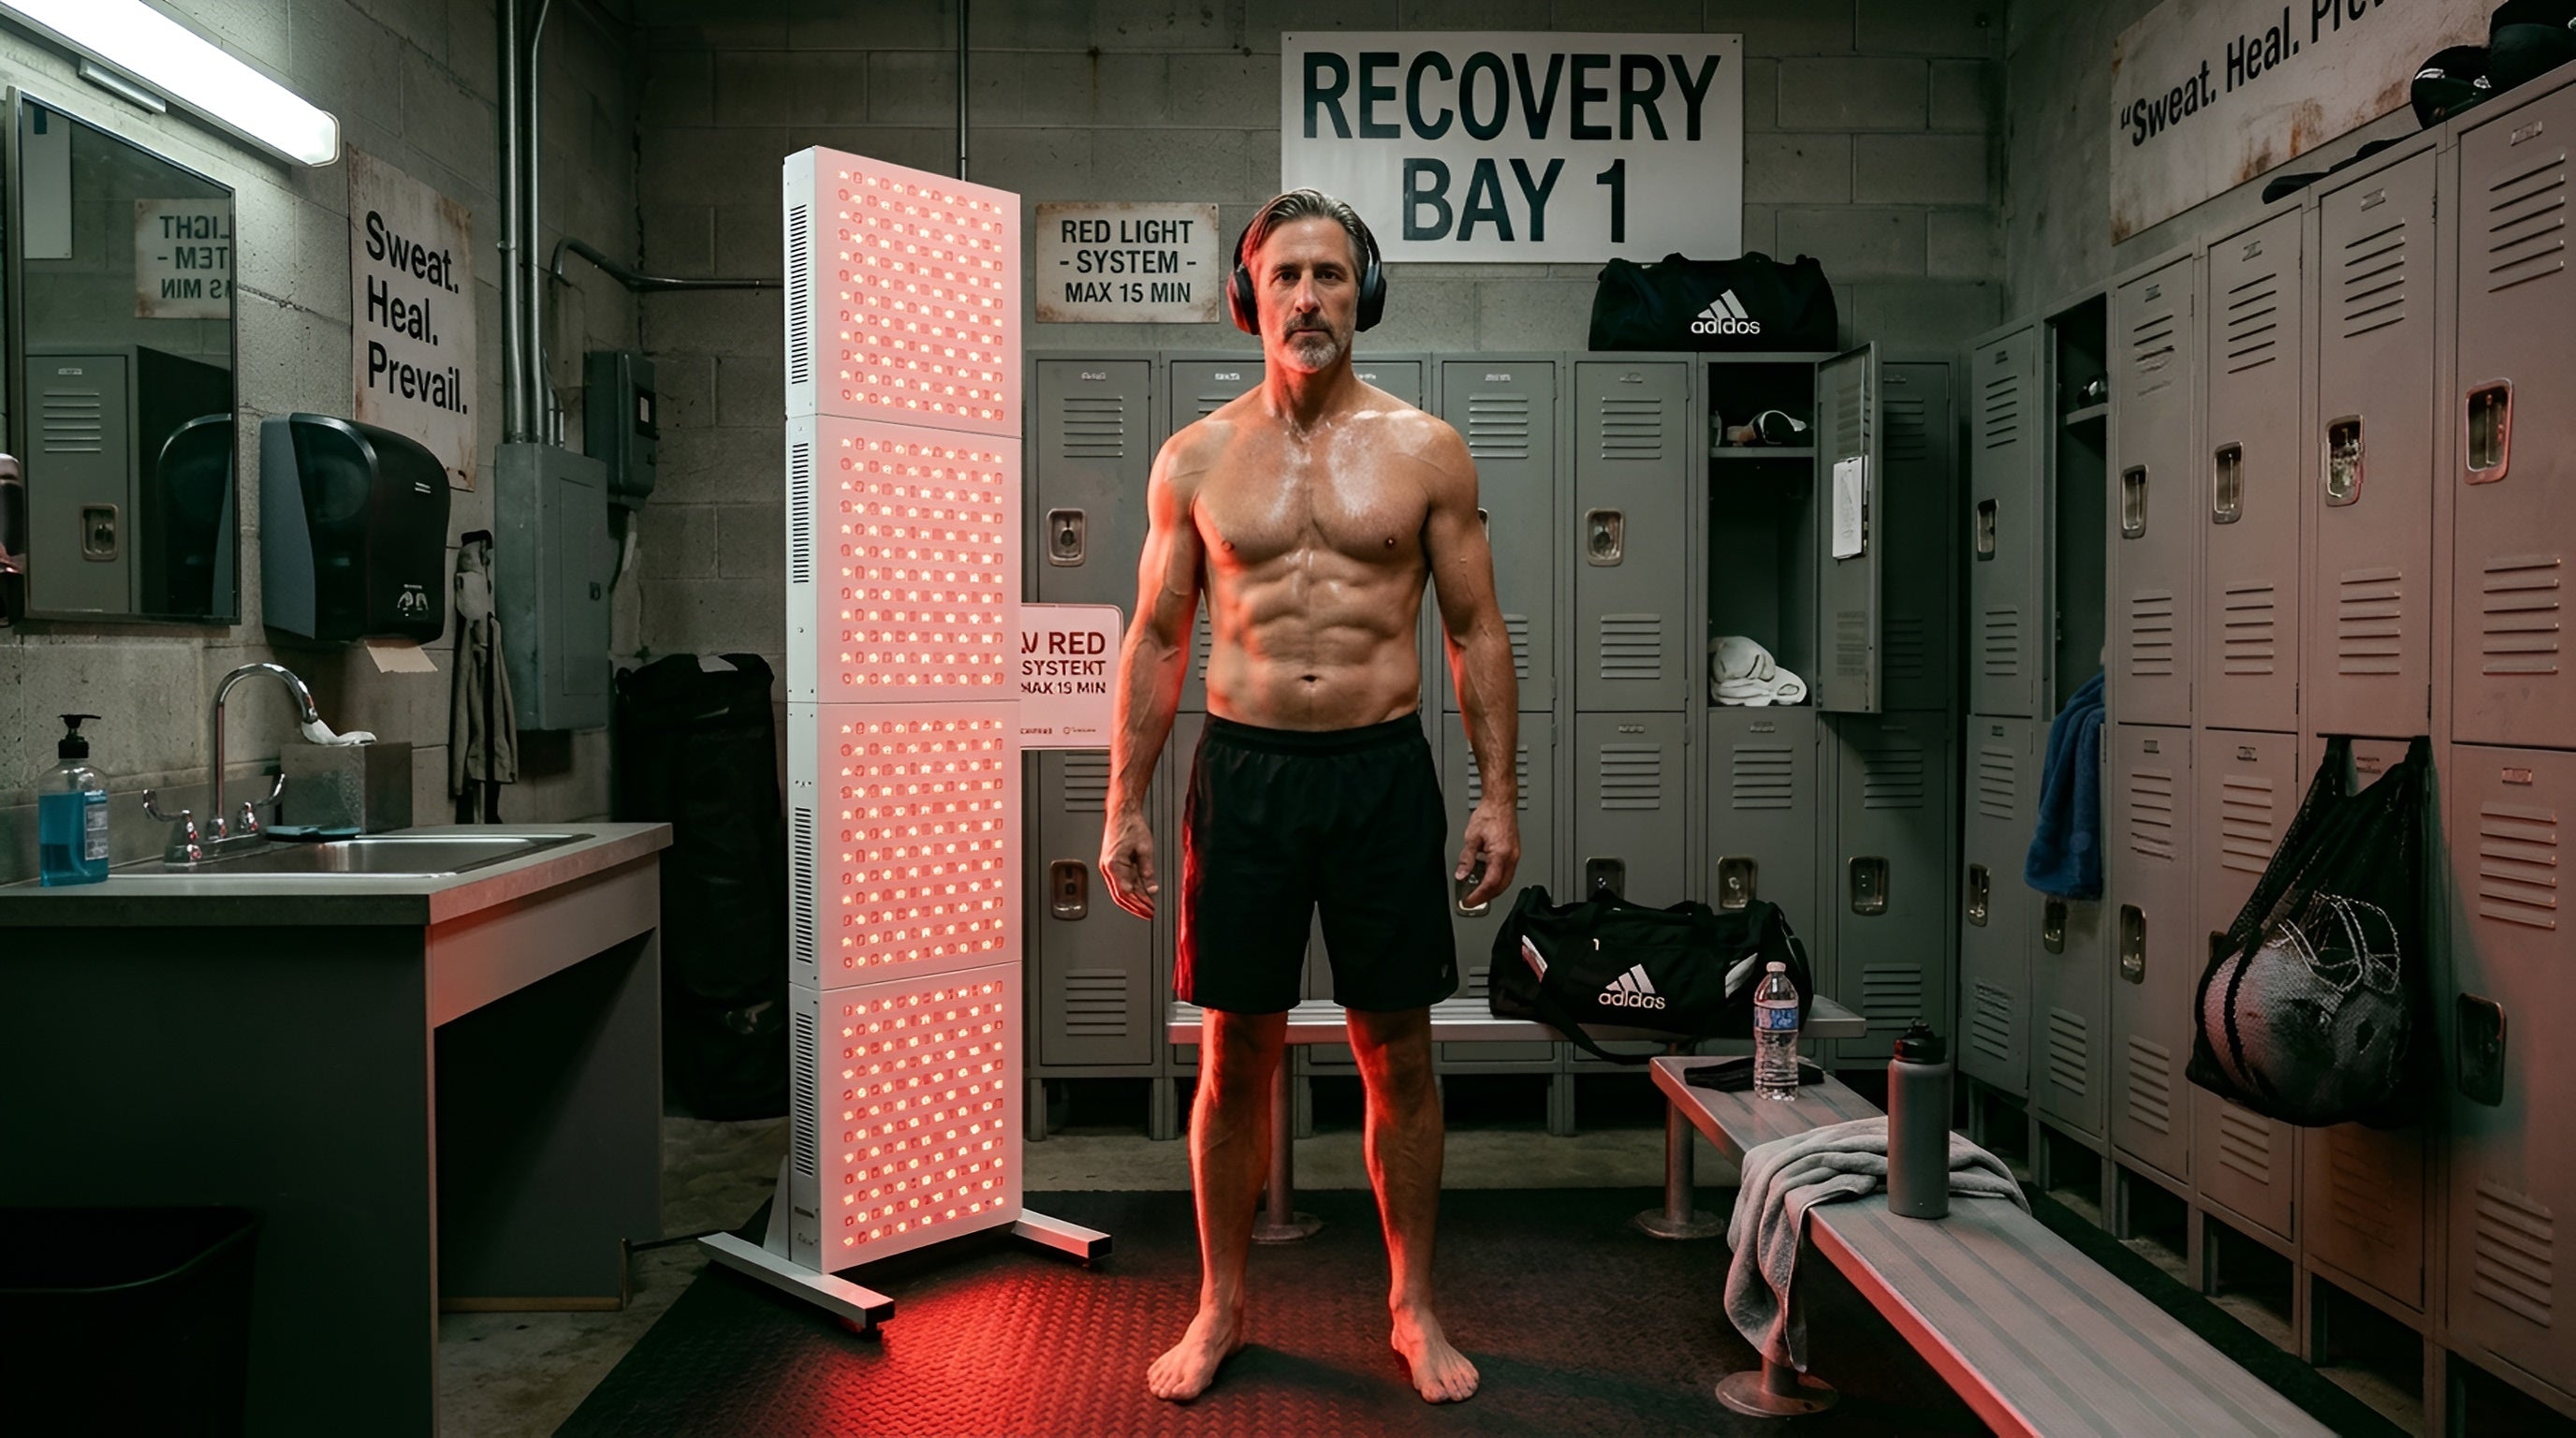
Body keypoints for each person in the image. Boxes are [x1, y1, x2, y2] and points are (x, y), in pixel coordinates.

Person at [1099, 188, 1520, 1405]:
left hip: (1381, 777)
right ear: (1250, 298)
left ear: (1363, 296)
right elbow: (1158, 637)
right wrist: (1126, 799)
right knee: (1236, 1056)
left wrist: (1498, 795)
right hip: (1245, 780)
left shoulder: (1425, 450)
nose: (1308, 298)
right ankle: (1223, 1302)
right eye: (1286, 276)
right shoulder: (1197, 459)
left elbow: (1476, 630)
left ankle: (1413, 1304)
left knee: (1401, 1052)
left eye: (1332, 276)